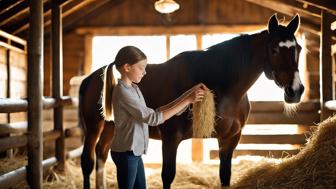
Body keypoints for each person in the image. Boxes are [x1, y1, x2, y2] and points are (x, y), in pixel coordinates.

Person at [101, 46, 207, 189]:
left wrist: (187, 95)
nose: (145, 72)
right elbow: (153, 118)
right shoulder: (122, 93)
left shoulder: (133, 88)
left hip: (134, 152)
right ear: (127, 67)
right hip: (126, 153)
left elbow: (156, 111)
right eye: (141, 68)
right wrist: (187, 100)